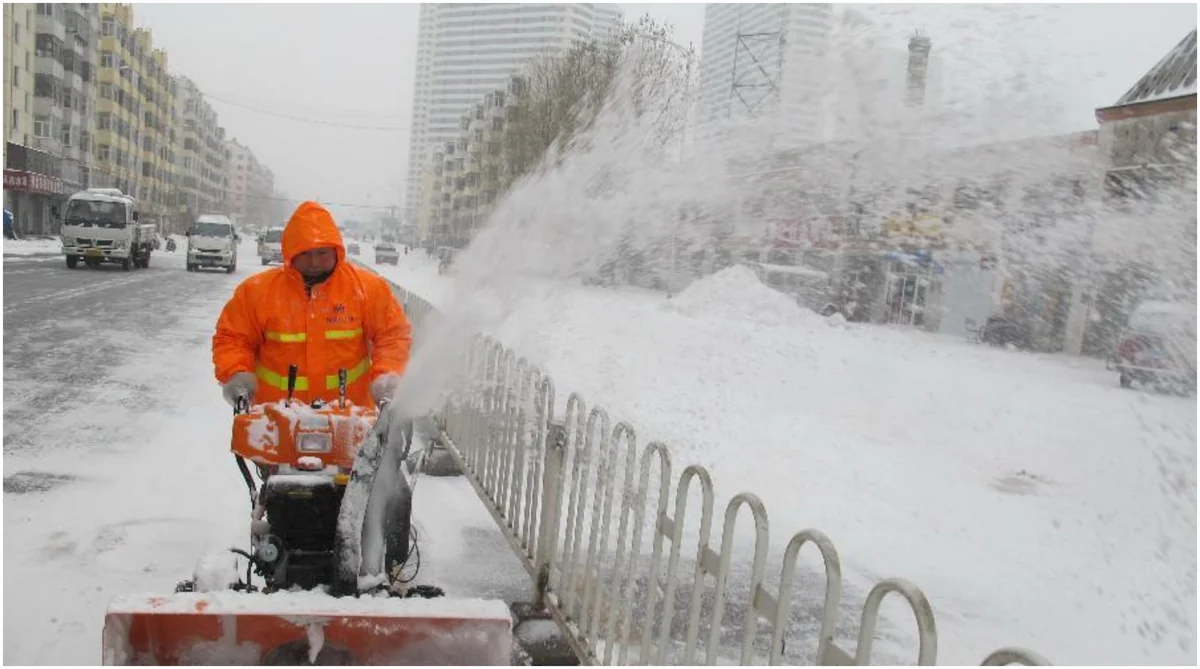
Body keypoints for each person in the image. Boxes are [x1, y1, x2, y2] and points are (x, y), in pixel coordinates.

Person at [212, 201, 412, 409]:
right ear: (290, 253)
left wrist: (387, 378)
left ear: (336, 251)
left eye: (322, 253)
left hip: (349, 419)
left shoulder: (367, 289)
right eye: (305, 253)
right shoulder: (257, 292)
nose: (314, 262)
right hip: (275, 419)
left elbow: (392, 336)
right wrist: (236, 375)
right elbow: (232, 339)